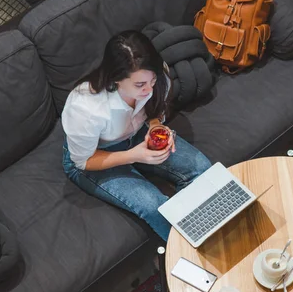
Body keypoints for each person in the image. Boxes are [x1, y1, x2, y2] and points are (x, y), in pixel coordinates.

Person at [61, 30, 212, 241]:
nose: (149, 90)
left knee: (205, 172)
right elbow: (82, 161)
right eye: (140, 85)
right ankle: (193, 255)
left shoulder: (156, 77)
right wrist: (134, 155)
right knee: (155, 207)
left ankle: (214, 233)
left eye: (152, 81)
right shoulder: (86, 107)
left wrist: (155, 125)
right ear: (116, 79)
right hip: (93, 156)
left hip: (138, 134)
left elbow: (155, 110)